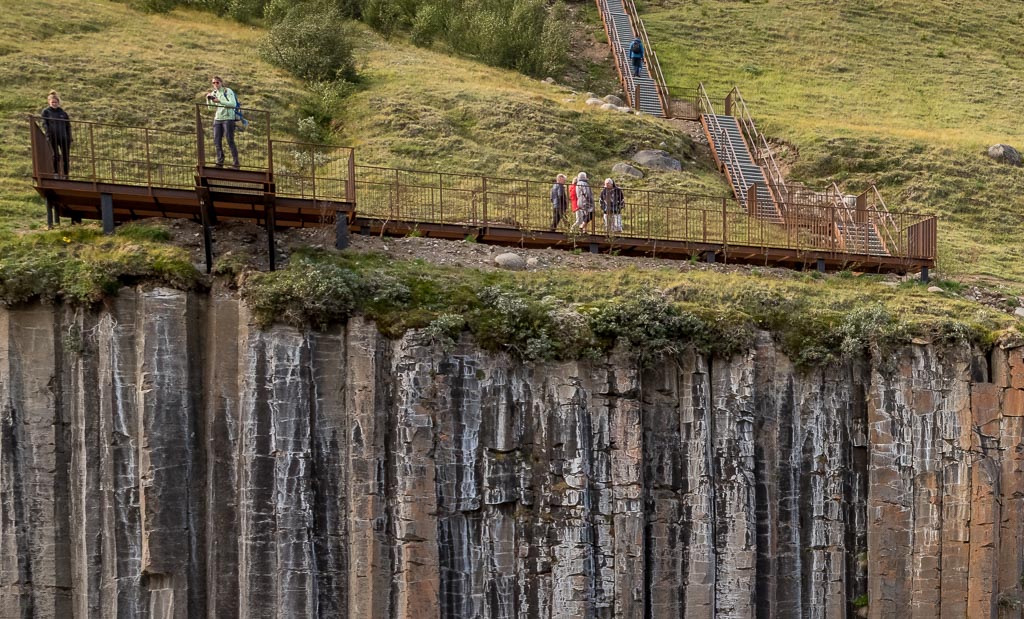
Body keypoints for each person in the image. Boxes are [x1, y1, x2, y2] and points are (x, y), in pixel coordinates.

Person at [206, 76, 240, 169]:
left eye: (217, 82)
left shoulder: (227, 91)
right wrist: (208, 99)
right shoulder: (214, 93)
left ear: (221, 83)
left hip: (228, 118)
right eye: (213, 83)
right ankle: (219, 162)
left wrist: (220, 101)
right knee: (217, 140)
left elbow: (233, 104)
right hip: (218, 118)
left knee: (229, 140)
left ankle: (236, 164)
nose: (215, 84)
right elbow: (211, 108)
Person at [41, 91, 72, 178]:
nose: (54, 104)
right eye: (53, 102)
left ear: (58, 102)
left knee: (66, 156)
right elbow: (44, 123)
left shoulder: (63, 113)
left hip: (63, 137)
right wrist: (48, 134)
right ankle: (56, 173)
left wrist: (69, 137)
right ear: (49, 102)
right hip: (53, 137)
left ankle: (66, 174)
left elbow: (68, 126)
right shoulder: (46, 112)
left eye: (56, 102)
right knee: (55, 155)